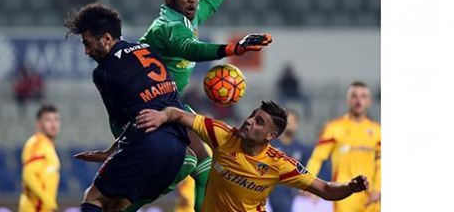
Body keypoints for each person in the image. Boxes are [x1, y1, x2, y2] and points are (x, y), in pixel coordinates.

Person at [139, 0, 272, 210]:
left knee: (205, 162)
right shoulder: (168, 27)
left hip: (168, 102)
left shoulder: (189, 17)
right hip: (148, 104)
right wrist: (233, 49)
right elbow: (191, 49)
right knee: (186, 164)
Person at [64, 2, 193, 212]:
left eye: (87, 44)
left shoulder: (104, 72)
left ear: (107, 38)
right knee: (119, 206)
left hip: (149, 144)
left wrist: (111, 153)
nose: (86, 51)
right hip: (178, 151)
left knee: (94, 197)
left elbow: (123, 122)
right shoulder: (148, 49)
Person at [136, 100, 370, 212]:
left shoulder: (279, 164)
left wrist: (350, 187)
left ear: (271, 135)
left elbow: (326, 190)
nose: (249, 121)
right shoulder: (224, 136)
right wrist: (162, 116)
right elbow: (179, 114)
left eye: (259, 121)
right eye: (252, 115)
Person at [306, 81, 381, 212]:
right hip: (344, 194)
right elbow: (317, 158)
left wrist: (379, 188)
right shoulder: (334, 128)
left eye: (363, 96)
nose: (359, 100)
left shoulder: (377, 131)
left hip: (371, 197)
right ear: (348, 100)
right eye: (354, 96)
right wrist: (310, 186)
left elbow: (380, 163)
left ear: (369, 101)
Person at [18, 104, 61, 212]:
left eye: (56, 119)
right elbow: (28, 174)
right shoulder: (36, 144)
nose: (53, 124)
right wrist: (47, 199)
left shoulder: (48, 146)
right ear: (39, 124)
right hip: (33, 208)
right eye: (48, 120)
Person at [268, 109, 313, 212]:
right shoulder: (271, 146)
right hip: (272, 189)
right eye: (289, 122)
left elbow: (308, 171)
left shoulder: (301, 149)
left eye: (294, 122)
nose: (291, 125)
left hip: (292, 192)